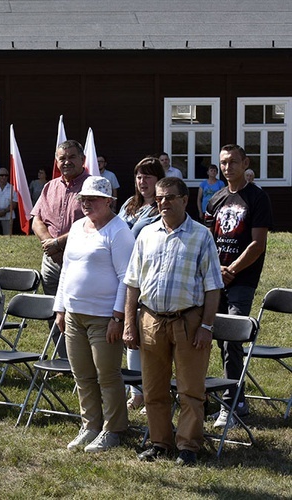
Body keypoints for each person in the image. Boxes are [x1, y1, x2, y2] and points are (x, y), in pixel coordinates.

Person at [123, 177, 223, 466]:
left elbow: (213, 287)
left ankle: (188, 446)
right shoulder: (146, 234)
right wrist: (130, 323)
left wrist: (206, 326)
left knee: (190, 389)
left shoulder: (202, 235)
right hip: (151, 320)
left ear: (184, 200)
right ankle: (160, 443)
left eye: (169, 197)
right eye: (159, 198)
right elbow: (132, 284)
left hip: (188, 322)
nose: (163, 203)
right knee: (153, 388)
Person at [54, 176, 134, 453]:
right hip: (74, 314)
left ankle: (113, 430)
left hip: (104, 317)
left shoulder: (119, 231)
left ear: (108, 201)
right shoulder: (77, 227)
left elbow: (127, 277)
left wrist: (116, 317)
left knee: (107, 375)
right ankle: (90, 426)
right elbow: (66, 270)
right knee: (82, 375)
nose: (86, 203)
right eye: (83, 199)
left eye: (92, 199)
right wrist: (60, 308)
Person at [205, 144, 273, 428]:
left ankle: (233, 405)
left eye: (233, 162)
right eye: (223, 162)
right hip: (214, 279)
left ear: (245, 163)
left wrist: (231, 269)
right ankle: (223, 399)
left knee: (233, 338)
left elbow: (258, 244)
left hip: (242, 280)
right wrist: (216, 269)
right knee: (211, 337)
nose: (227, 167)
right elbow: (208, 240)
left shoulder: (257, 198)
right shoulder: (216, 199)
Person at [31, 139, 89, 355]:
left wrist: (58, 242)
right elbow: (36, 220)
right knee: (54, 309)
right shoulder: (50, 186)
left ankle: (81, 359)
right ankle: (62, 358)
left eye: (72, 157)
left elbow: (92, 222)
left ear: (82, 159)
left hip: (80, 259)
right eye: (62, 158)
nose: (66, 162)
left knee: (78, 311)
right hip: (51, 260)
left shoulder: (92, 186)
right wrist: (50, 244)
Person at [117, 156, 165, 409]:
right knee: (130, 335)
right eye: (138, 176)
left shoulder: (162, 209)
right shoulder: (128, 205)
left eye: (148, 176)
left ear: (159, 180)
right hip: (123, 277)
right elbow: (116, 234)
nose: (142, 181)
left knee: (149, 337)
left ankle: (153, 391)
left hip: (149, 279)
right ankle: (136, 392)